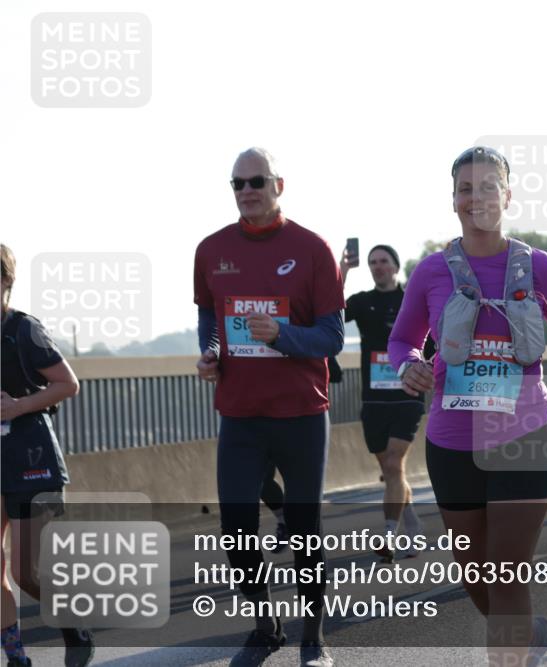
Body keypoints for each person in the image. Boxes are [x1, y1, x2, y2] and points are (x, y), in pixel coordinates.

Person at [388, 146, 547, 665]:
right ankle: (530, 636)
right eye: (464, 188)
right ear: (452, 199)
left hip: (526, 431)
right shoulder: (431, 271)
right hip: (452, 439)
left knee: (506, 569)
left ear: (507, 194)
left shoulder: (537, 265)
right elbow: (402, 340)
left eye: (486, 187)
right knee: (475, 574)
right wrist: (407, 364)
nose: (475, 198)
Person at [193, 148, 344, 667]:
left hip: (302, 412)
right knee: (236, 529)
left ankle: (314, 638)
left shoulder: (311, 248)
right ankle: (265, 624)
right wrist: (211, 352)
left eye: (256, 180)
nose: (246, 190)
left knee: (304, 529)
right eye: (237, 183)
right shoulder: (211, 250)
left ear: (279, 183)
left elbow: (329, 336)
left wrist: (281, 335)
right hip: (239, 413)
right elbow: (209, 318)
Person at [1, 244, 92, 667]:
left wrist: (17, 406)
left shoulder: (24, 330)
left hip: (30, 458)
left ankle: (73, 621)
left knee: (26, 573)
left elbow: (68, 384)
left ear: (6, 282)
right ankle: (16, 655)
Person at [340, 243, 431, 562]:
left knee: (394, 464)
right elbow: (329, 314)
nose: (378, 266)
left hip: (407, 395)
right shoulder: (363, 302)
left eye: (383, 261)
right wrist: (343, 273)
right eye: (372, 262)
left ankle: (389, 536)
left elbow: (434, 341)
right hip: (374, 399)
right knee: (392, 471)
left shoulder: (412, 300)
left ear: (395, 266)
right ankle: (413, 525)